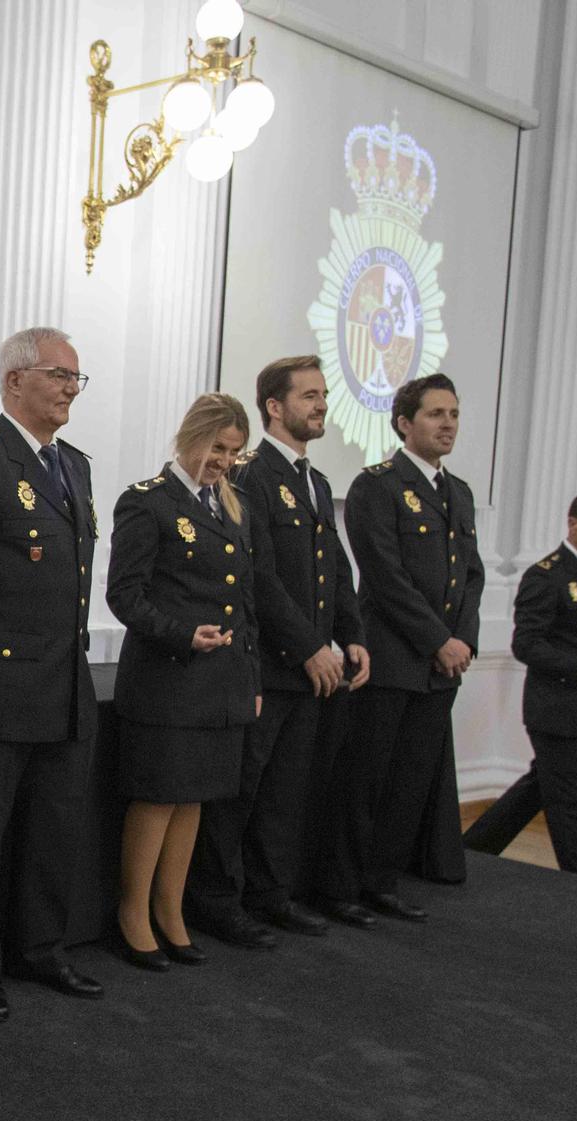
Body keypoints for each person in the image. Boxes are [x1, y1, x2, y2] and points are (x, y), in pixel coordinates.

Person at [0, 327, 105, 1022]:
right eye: (58, 374)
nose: (70, 386)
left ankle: (40, 946)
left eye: (76, 377)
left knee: (53, 827)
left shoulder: (76, 465)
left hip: (64, 682)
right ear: (14, 382)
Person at [188, 356, 373, 944]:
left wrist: (353, 636)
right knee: (240, 794)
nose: (322, 405)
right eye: (310, 396)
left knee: (285, 796)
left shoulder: (314, 481)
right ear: (275, 406)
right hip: (266, 668)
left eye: (323, 396)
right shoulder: (251, 474)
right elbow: (258, 577)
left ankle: (270, 895)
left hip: (312, 669)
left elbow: (335, 569)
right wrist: (311, 646)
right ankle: (219, 902)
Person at [106, 394, 261, 971]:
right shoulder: (147, 502)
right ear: (188, 438)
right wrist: (180, 635)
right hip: (167, 681)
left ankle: (171, 912)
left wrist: (250, 677)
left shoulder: (231, 507)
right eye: (216, 448)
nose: (223, 461)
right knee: (158, 797)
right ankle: (132, 913)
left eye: (233, 453)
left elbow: (245, 601)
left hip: (219, 684)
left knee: (194, 797)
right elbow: (124, 595)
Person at [337, 372, 486, 918]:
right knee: (366, 781)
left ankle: (381, 883)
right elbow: (385, 577)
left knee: (411, 782)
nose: (447, 424)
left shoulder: (459, 492)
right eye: (435, 414)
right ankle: (342, 888)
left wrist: (462, 640)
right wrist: (437, 640)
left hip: (441, 667)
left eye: (453, 415)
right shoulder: (376, 485)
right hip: (392, 659)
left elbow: (471, 575)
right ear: (404, 423)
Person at [463, 491, 577, 876]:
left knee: (540, 785)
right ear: (573, 524)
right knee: (569, 800)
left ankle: (472, 849)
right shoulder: (545, 575)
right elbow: (526, 644)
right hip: (554, 706)